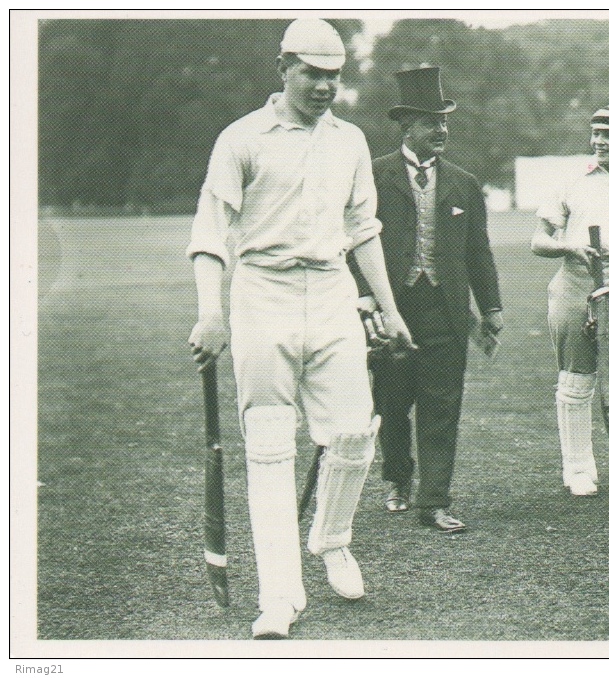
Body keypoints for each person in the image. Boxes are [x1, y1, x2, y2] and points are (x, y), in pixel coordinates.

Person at [186, 19, 414, 639]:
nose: (322, 87)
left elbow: (364, 230)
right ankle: (280, 597)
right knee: (268, 448)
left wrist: (389, 310)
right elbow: (211, 232)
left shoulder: (350, 141)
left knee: (353, 433)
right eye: (311, 73)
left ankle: (332, 539)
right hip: (262, 292)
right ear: (282, 68)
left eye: (333, 76)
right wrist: (211, 312)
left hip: (334, 292)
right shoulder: (241, 139)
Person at [355, 67, 503, 533]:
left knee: (442, 405)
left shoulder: (463, 182)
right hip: (390, 309)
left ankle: (434, 500)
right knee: (392, 404)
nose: (440, 130)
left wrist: (492, 307)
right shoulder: (373, 176)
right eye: (429, 122)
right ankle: (398, 477)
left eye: (444, 121)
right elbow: (354, 242)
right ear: (406, 127)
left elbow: (478, 249)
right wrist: (365, 301)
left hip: (446, 310)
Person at [531, 105, 609, 515]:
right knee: (576, 380)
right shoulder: (571, 182)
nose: (599, 141)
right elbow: (539, 240)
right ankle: (579, 469)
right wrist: (569, 246)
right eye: (596, 133)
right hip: (575, 279)